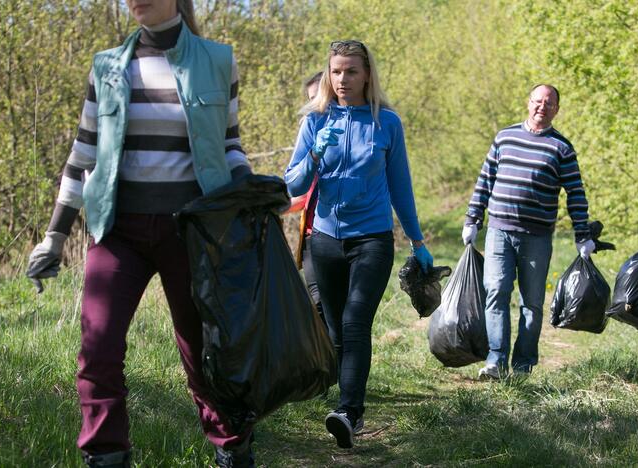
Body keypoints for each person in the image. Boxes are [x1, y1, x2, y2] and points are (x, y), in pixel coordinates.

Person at [25, 1, 254, 466]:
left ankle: (231, 447)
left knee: (203, 351)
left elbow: (229, 143)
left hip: (190, 233)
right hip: (117, 231)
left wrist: (250, 185)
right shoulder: (107, 66)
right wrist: (54, 234)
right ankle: (107, 454)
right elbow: (83, 152)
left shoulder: (217, 60)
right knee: (98, 346)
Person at [284, 40, 433, 449]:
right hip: (325, 240)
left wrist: (417, 240)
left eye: (351, 71)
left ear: (367, 75)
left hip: (372, 239)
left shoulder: (387, 123)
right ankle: (341, 398)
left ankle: (350, 411)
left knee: (354, 323)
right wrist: (314, 154)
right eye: (336, 71)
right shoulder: (315, 121)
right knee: (335, 331)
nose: (343, 79)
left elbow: (401, 188)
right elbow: (291, 186)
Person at [462, 84, 594, 380]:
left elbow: (575, 193)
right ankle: (496, 360)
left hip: (537, 237)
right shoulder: (504, 137)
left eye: (549, 104)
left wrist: (582, 234)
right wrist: (473, 218)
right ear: (528, 103)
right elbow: (485, 179)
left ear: (556, 109)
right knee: (495, 291)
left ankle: (522, 365)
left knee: (532, 304)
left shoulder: (561, 148)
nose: (541, 107)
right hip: (499, 231)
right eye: (537, 101)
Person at [286, 71, 325, 323]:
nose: (316, 106)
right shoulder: (311, 133)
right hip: (312, 234)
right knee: (318, 303)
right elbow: (301, 190)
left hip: (345, 234)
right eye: (311, 100)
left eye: (320, 97)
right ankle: (324, 359)